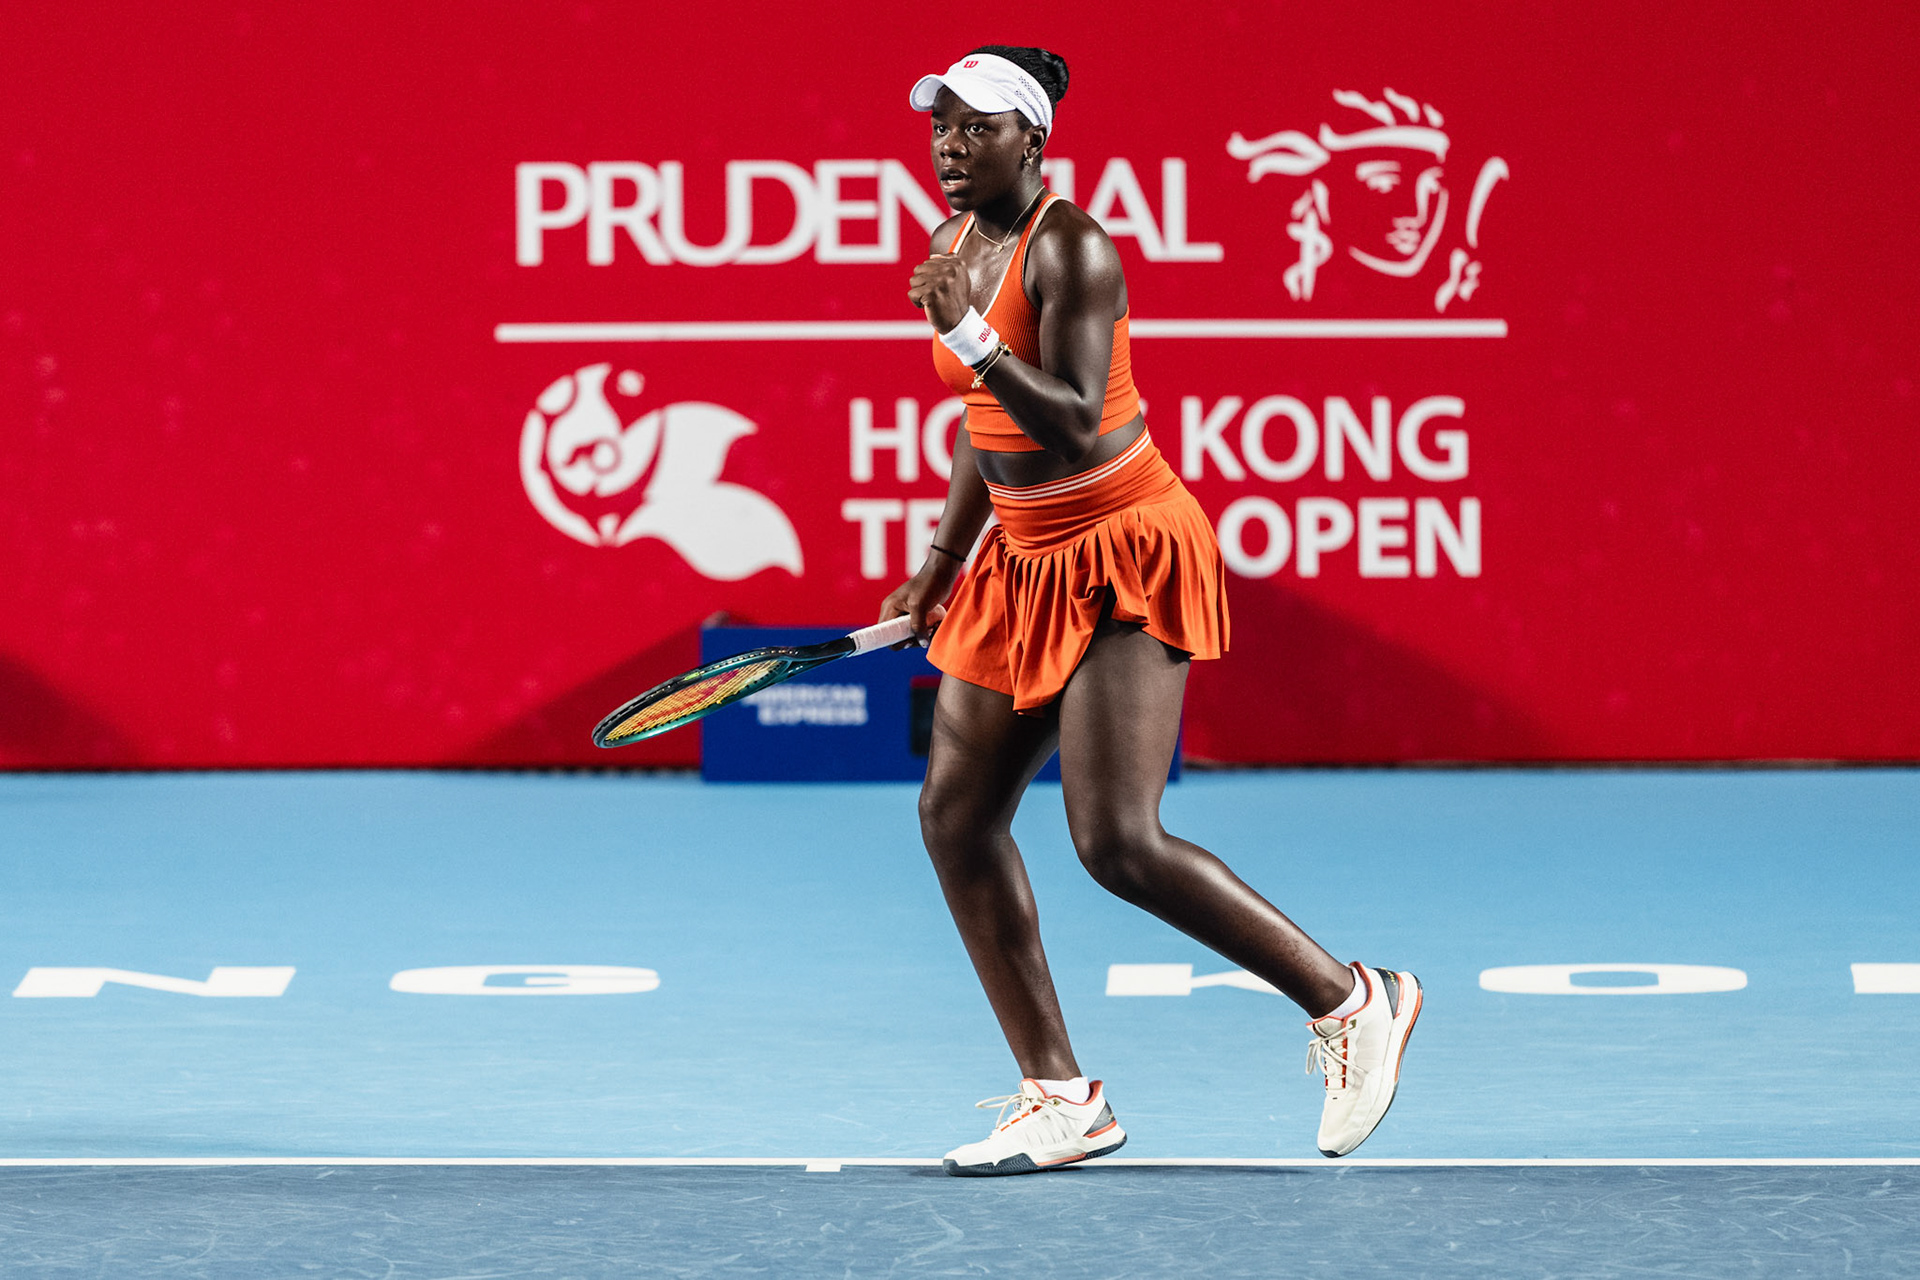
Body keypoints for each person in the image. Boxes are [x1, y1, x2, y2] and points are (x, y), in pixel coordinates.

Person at [882, 45, 1421, 1177]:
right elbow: (985, 427)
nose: (948, 145)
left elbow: (1074, 421)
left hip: (1124, 548)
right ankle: (1059, 1093)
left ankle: (1352, 997)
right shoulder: (953, 247)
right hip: (1021, 559)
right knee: (953, 814)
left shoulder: (1071, 248)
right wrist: (940, 563)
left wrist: (971, 333)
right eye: (940, 126)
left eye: (976, 127)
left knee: (1117, 840)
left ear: (1032, 141)